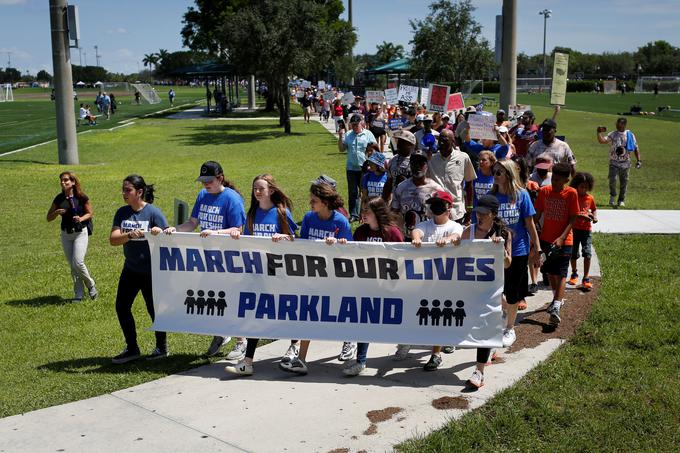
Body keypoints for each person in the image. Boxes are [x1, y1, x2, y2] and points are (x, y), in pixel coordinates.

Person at [164, 161, 246, 358]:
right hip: (207, 258)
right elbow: (193, 223)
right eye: (203, 181)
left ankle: (241, 341)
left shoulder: (232, 199)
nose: (205, 185)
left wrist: (215, 232)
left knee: (232, 299)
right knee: (211, 299)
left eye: (209, 181)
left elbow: (238, 229)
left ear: (220, 178)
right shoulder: (203, 196)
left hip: (228, 258)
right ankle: (220, 334)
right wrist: (175, 229)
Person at [224, 175, 298, 376]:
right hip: (258, 272)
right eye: (255, 188)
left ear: (271, 190)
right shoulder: (252, 213)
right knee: (257, 313)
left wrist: (285, 237)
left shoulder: (281, 212)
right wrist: (238, 236)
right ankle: (247, 362)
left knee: (286, 310)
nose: (257, 192)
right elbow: (248, 239)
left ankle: (294, 345)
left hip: (280, 272)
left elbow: (297, 240)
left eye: (261, 188)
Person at [279, 180, 353, 375]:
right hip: (311, 277)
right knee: (306, 315)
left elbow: (351, 254)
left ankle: (350, 339)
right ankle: (301, 359)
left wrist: (339, 244)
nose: (310, 203)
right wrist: (287, 239)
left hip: (334, 279)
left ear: (325, 202)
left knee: (340, 315)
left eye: (314, 200)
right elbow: (303, 245)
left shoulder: (340, 222)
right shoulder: (309, 218)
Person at [453, 194, 512, 388]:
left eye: (484, 214)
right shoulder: (468, 232)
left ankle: (479, 372)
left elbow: (507, 264)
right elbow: (455, 255)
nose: (480, 217)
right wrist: (452, 240)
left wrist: (501, 251)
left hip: (490, 289)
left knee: (484, 325)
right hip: (468, 289)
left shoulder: (503, 234)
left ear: (494, 215)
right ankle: (494, 342)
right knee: (472, 326)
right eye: (478, 212)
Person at [341, 198, 404, 376]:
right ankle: (360, 361)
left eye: (367, 211)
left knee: (392, 320)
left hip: (389, 286)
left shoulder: (393, 233)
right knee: (364, 321)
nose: (363, 214)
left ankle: (405, 339)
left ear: (377, 212)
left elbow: (402, 259)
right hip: (366, 285)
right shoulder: (360, 231)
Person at [109, 175, 169, 363]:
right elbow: (113, 239)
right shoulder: (122, 213)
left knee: (154, 310)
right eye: (123, 190)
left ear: (140, 192)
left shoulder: (153, 213)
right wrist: (129, 235)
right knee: (122, 307)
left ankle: (161, 347)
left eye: (128, 190)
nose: (124, 193)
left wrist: (159, 233)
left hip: (151, 272)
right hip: (131, 269)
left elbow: (170, 238)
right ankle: (132, 348)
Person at [404, 191, 463, 368]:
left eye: (439, 203)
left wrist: (448, 239)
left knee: (439, 315)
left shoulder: (454, 226)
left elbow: (457, 236)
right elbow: (417, 231)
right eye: (433, 204)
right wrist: (416, 239)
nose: (435, 207)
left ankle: (436, 353)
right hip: (426, 280)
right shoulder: (426, 225)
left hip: (447, 279)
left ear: (448, 207)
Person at [490, 160, 540, 346]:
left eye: (499, 173)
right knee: (495, 292)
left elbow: (529, 223)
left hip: (518, 251)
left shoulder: (521, 195)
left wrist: (537, 247)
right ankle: (506, 310)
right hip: (494, 251)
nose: (495, 176)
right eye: (494, 172)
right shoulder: (491, 196)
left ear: (509, 175)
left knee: (512, 292)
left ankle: (510, 328)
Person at [534, 163, 580, 327]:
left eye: (558, 180)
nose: (554, 182)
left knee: (561, 274)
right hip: (546, 239)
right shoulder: (545, 192)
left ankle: (556, 306)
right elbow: (537, 214)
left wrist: (561, 237)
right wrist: (534, 238)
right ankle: (556, 299)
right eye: (553, 178)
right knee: (551, 273)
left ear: (566, 180)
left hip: (565, 241)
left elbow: (573, 218)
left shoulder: (571, 193)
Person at [46, 171, 97, 302]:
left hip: (80, 233)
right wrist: (56, 212)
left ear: (73, 182)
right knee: (73, 266)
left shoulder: (81, 197)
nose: (63, 182)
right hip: (66, 234)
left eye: (66, 180)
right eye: (61, 181)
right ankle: (78, 294)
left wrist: (80, 218)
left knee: (78, 262)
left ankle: (91, 284)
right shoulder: (59, 199)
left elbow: (90, 213)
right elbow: (48, 217)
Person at [390, 152, 445, 240]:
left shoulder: (436, 189)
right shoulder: (401, 187)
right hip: (406, 238)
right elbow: (393, 213)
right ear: (410, 165)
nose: (418, 166)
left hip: (429, 238)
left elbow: (443, 216)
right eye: (414, 163)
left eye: (421, 163)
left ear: (427, 166)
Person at [427, 129, 476, 224]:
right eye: (439, 140)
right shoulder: (431, 159)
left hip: (456, 211)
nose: (441, 143)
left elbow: (469, 184)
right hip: (435, 211)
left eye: (445, 140)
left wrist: (469, 208)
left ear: (453, 141)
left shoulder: (463, 158)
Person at [338, 113, 377, 222]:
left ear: (362, 123)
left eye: (357, 124)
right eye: (353, 124)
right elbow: (341, 149)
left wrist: (371, 164)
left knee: (364, 192)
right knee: (352, 192)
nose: (355, 126)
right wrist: (341, 137)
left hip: (364, 168)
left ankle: (364, 213)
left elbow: (375, 149)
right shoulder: (348, 134)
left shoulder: (368, 134)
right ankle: (354, 214)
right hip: (351, 167)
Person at [596, 117, 642, 207]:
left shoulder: (630, 135)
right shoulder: (613, 134)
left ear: (624, 125)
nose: (616, 125)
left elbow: (636, 148)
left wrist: (639, 160)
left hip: (625, 163)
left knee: (624, 182)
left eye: (618, 124)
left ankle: (621, 200)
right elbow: (602, 141)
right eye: (616, 123)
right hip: (614, 162)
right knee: (612, 180)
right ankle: (612, 196)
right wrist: (598, 133)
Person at [567, 173, 598, 291]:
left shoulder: (590, 198)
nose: (583, 189)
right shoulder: (573, 196)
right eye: (581, 187)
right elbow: (572, 212)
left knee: (587, 253)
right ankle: (574, 274)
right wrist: (583, 215)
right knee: (573, 254)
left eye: (586, 187)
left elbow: (594, 209)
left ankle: (586, 278)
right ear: (576, 186)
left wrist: (594, 217)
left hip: (586, 230)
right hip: (574, 230)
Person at [382, 129, 416, 202]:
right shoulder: (392, 160)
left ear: (412, 145)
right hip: (396, 201)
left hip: (413, 201)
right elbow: (389, 183)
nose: (399, 145)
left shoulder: (417, 161)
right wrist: (383, 201)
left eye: (403, 143)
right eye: (399, 142)